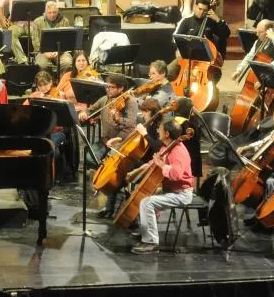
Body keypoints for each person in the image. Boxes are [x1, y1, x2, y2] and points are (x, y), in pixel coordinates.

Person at [131, 119, 194, 254]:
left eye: (160, 129)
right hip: (171, 190)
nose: (157, 131)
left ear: (166, 133)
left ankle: (151, 243)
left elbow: (176, 175)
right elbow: (155, 161)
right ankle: (146, 231)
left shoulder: (178, 151)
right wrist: (136, 173)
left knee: (147, 203)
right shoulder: (167, 147)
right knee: (143, 196)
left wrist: (160, 165)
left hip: (181, 194)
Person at [79, 74, 138, 180]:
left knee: (113, 162)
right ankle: (103, 174)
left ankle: (110, 179)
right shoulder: (105, 99)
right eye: (107, 86)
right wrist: (84, 112)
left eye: (111, 87)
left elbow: (131, 123)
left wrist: (118, 119)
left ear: (121, 88)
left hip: (121, 141)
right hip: (106, 140)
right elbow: (91, 110)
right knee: (89, 157)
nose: (107, 89)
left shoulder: (130, 101)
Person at [0, 0, 48, 64]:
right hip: (17, 24)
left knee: (39, 33)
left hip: (33, 25)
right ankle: (22, 61)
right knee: (10, 33)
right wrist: (2, 19)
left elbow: (44, 11)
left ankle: (39, 59)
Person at [172, 0, 230, 69]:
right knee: (170, 71)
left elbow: (226, 34)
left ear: (208, 10)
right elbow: (177, 38)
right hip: (186, 58)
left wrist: (218, 19)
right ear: (195, 7)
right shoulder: (187, 21)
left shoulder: (211, 22)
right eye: (200, 9)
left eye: (205, 10)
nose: (202, 12)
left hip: (205, 59)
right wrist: (178, 50)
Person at [30, 1, 73, 73]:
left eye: (54, 12)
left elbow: (67, 40)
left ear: (58, 11)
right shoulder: (37, 22)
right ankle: (48, 82)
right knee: (42, 64)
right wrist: (45, 52)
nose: (52, 15)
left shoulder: (64, 21)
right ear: (45, 12)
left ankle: (62, 82)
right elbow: (35, 41)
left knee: (67, 63)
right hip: (43, 52)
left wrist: (58, 51)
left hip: (61, 51)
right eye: (49, 12)